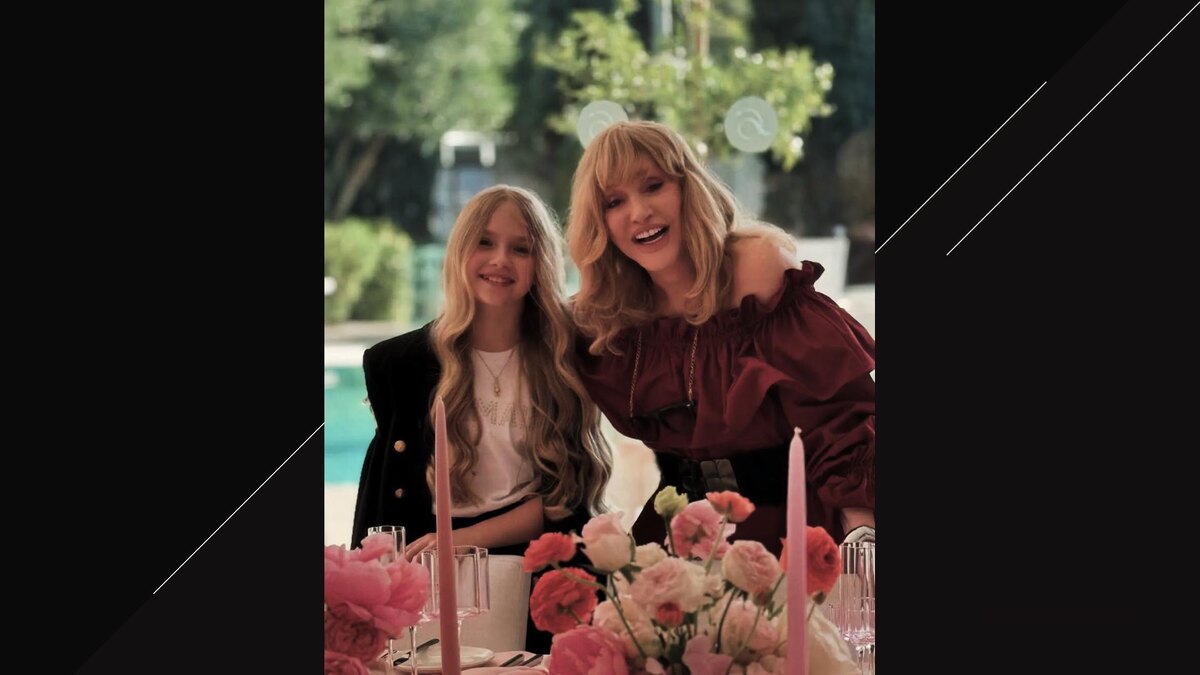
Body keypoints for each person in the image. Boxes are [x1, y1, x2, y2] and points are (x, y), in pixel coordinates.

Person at [566, 121, 875, 556]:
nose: (639, 212)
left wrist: (862, 539)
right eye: (614, 202)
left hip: (789, 531)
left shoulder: (756, 269)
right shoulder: (605, 314)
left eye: (653, 186)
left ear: (687, 187)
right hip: (677, 534)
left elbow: (840, 419)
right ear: (600, 223)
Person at [351, 185, 613, 650]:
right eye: (485, 242)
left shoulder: (564, 362)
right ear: (460, 250)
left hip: (536, 574)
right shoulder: (397, 364)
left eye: (521, 249)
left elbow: (564, 498)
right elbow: (381, 495)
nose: (500, 260)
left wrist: (460, 541)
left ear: (541, 263)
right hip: (426, 576)